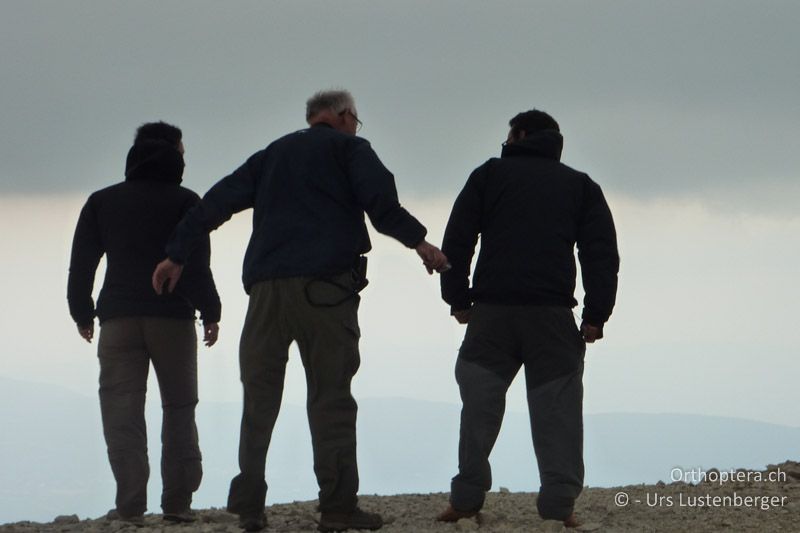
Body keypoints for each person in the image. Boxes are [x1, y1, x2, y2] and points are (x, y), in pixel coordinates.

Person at [151, 89, 448, 532]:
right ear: (344, 116)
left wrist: (176, 254)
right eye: (356, 119)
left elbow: (215, 203)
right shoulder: (352, 149)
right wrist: (420, 242)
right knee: (331, 399)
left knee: (259, 400)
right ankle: (337, 508)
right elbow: (381, 206)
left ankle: (250, 506)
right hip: (326, 291)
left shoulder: (272, 154)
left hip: (267, 292)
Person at [436, 110, 619, 528]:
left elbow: (458, 239)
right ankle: (558, 508)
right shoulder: (580, 186)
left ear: (518, 135)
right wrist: (595, 316)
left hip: (492, 315)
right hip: (553, 317)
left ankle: (465, 501)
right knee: (559, 415)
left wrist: (457, 299)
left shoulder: (488, 176)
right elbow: (600, 255)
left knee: (478, 410)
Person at [67, 122, 221, 525]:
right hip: (172, 318)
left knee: (122, 410)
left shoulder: (102, 202)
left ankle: (131, 505)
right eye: (183, 153)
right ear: (172, 155)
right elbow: (196, 266)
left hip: (117, 319)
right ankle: (177, 503)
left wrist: (82, 312)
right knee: (180, 407)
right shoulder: (187, 202)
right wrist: (211, 311)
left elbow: (82, 263)